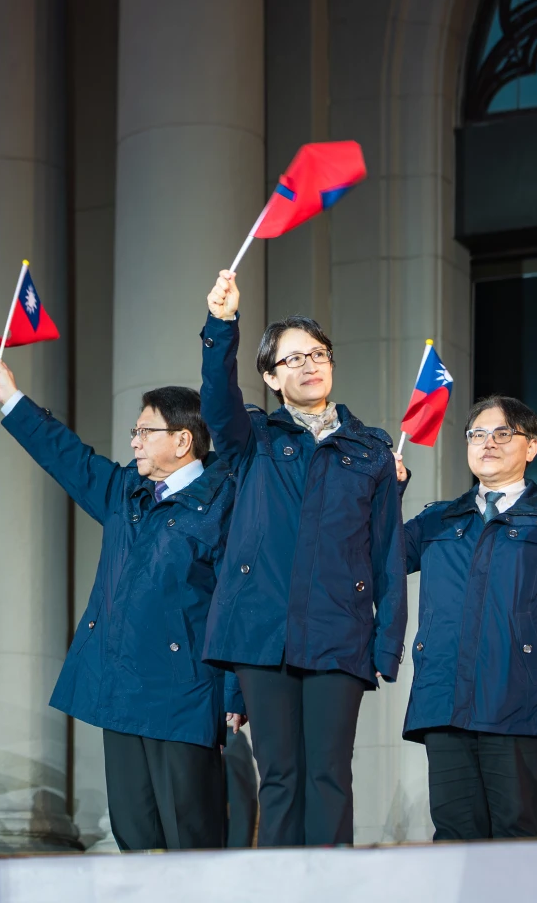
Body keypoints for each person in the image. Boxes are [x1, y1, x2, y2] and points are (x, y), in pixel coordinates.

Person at [0, 362, 239, 850]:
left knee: (192, 838)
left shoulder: (224, 502)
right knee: (133, 834)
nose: (135, 441)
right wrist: (13, 399)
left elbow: (234, 605)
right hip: (120, 688)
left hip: (184, 695)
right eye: (134, 432)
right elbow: (68, 457)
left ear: (183, 440)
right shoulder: (126, 492)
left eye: (145, 431)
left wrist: (235, 693)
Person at [200, 269, 406, 847]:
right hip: (261, 632)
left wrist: (386, 643)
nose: (310, 365)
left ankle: (331, 885)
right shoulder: (254, 437)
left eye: (318, 354)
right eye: (293, 359)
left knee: (329, 776)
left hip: (339, 631)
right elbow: (217, 401)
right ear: (270, 377)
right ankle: (281, 885)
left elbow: (387, 552)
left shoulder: (370, 449)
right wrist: (221, 324)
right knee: (281, 777)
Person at [394, 396, 537, 840]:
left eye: (503, 433)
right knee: (454, 837)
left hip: (519, 701)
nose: (488, 443)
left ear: (532, 446)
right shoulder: (438, 520)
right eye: (478, 434)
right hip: (444, 699)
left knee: (515, 837)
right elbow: (375, 557)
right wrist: (387, 493)